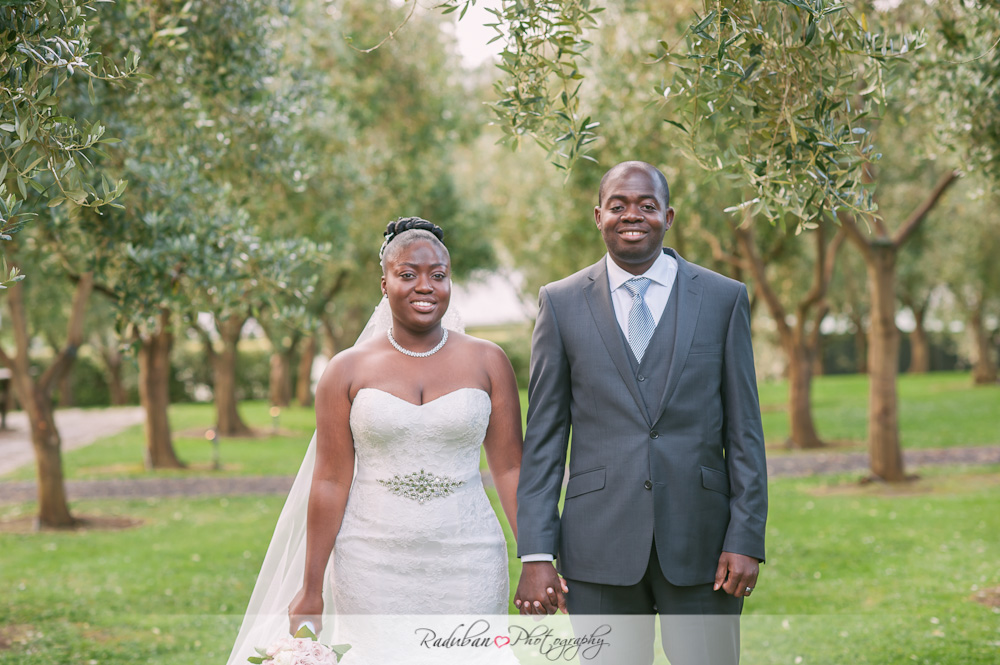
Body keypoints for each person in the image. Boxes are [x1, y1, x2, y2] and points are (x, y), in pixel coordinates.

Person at [226, 218, 523, 665]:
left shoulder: (489, 361)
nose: (425, 286)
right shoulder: (346, 370)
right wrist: (310, 588)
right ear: (384, 282)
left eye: (437, 275)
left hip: (469, 559)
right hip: (371, 561)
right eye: (408, 274)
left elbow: (510, 469)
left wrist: (538, 559)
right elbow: (328, 481)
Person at [513, 161, 768, 665]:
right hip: (597, 547)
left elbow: (745, 433)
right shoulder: (560, 303)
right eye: (619, 205)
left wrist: (746, 537)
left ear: (668, 216)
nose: (633, 215)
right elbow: (543, 440)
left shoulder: (723, 298)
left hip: (704, 546)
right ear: (598, 215)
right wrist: (537, 553)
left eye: (647, 206)